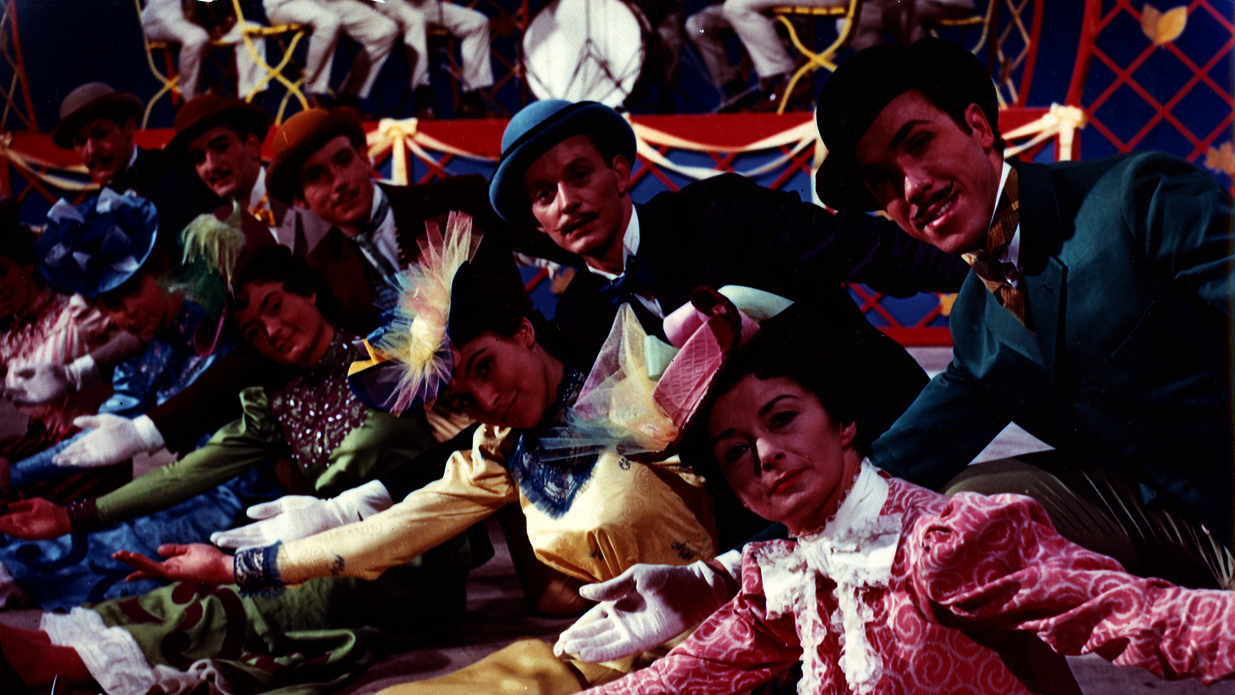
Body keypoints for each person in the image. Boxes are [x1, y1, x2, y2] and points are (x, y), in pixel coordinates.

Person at [0, 220, 712, 694]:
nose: (488, 399)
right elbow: (389, 527)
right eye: (464, 393)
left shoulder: (636, 386)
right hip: (598, 641)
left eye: (486, 366)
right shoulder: (497, 451)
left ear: (524, 330)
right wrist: (237, 564)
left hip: (715, 621)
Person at [567, 296, 1235, 694]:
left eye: (782, 418)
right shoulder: (788, 580)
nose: (765, 454)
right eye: (736, 452)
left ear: (843, 421)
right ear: (737, 494)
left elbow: (1133, 615)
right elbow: (680, 677)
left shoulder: (942, 544)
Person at [812, 38, 1234, 580]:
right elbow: (887, 468)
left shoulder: (1134, 199)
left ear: (978, 128)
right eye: (883, 181)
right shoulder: (975, 323)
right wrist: (733, 565)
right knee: (960, 509)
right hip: (1173, 525)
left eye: (919, 143)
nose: (911, 187)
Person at [489, 98, 970, 455]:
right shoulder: (578, 315)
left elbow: (862, 249)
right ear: (537, 221)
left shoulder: (717, 211)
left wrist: (985, 270)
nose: (567, 202)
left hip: (880, 421)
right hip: (763, 491)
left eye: (579, 175)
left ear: (619, 173)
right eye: (544, 195)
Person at [0, 194, 283, 612]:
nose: (127, 313)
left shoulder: (218, 323)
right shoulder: (144, 352)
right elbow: (97, 436)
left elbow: (210, 404)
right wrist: (15, 473)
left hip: (248, 493)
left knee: (118, 547)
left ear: (162, 271)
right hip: (187, 486)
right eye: (111, 305)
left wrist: (18, 474)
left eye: (133, 291)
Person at [49, 82, 221, 249]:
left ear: (129, 127)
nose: (91, 150)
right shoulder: (92, 213)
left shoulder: (177, 173)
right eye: (80, 142)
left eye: (101, 134)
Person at [163, 93, 332, 247]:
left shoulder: (302, 198)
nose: (211, 166)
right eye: (199, 159)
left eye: (221, 147)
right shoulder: (218, 236)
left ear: (252, 146)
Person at [369, 0, 495, 118]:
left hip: (424, 5)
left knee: (477, 22)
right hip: (391, 3)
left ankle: (471, 99)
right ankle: (421, 99)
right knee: (415, 20)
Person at [261, 0, 399, 108]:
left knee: (385, 30)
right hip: (287, 3)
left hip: (329, 2)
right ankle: (312, 94)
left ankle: (347, 98)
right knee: (328, 23)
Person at [139, 0, 269, 102]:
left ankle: (250, 100)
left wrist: (222, 19)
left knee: (253, 32)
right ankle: (188, 102)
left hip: (201, 21)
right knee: (195, 38)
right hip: (164, 16)